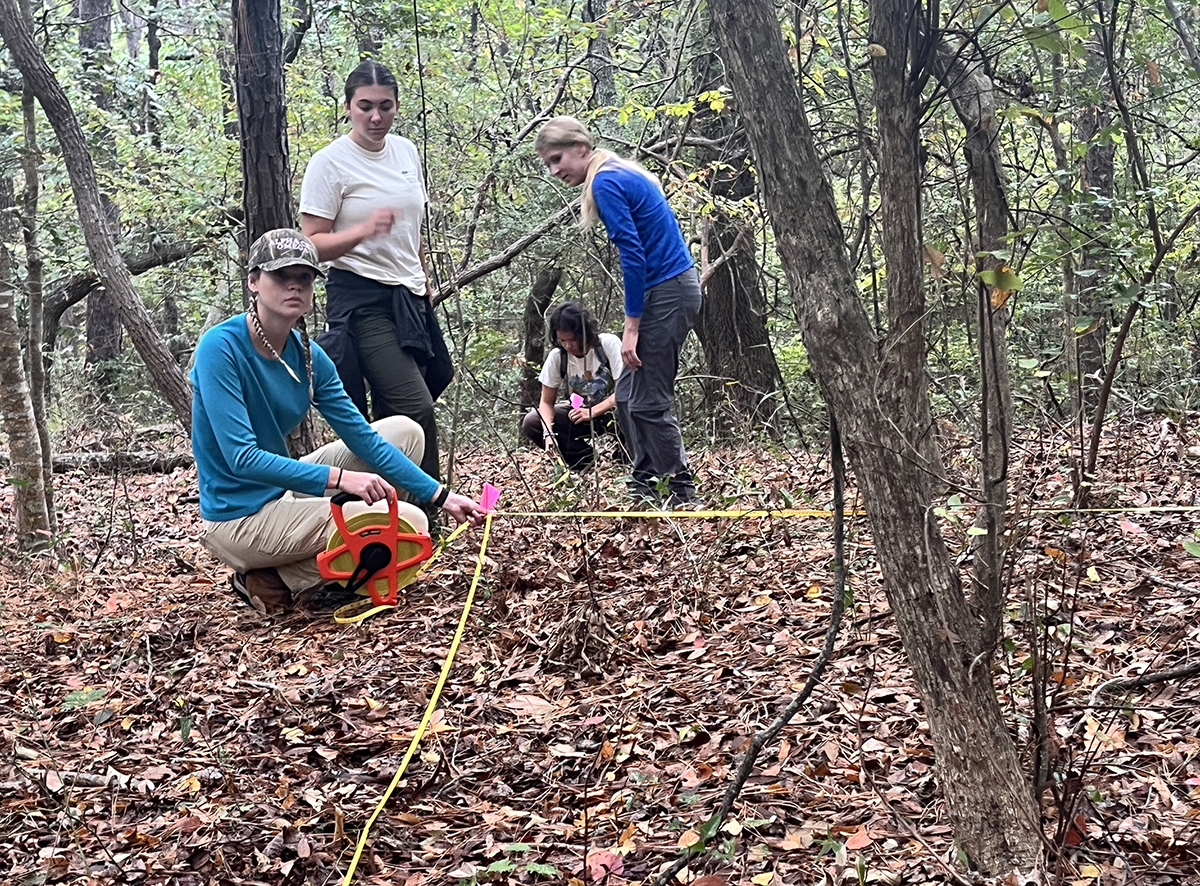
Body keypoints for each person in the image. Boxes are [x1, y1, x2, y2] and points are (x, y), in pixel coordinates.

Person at [191, 229, 484, 614]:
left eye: (305, 277)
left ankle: (280, 573)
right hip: (239, 516)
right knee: (409, 524)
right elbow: (241, 458)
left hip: (284, 492)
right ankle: (282, 573)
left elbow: (363, 438)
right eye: (281, 276)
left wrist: (441, 496)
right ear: (254, 282)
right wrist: (344, 481)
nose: (294, 285)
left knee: (405, 433)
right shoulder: (220, 347)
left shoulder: (310, 358)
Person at [534, 116, 701, 503]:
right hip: (671, 289)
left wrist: (631, 327)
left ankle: (680, 491)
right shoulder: (615, 172)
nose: (556, 170)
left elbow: (634, 255)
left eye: (559, 159)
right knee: (626, 395)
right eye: (548, 164)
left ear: (581, 148)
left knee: (648, 400)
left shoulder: (607, 181)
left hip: (667, 292)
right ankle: (644, 485)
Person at [299, 59, 451, 483]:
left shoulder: (405, 151)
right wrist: (363, 230)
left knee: (423, 389)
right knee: (414, 406)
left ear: (397, 106)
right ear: (347, 106)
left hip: (409, 294)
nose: (376, 116)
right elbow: (311, 241)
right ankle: (429, 511)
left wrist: (423, 282)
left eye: (385, 106)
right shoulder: (330, 163)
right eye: (365, 105)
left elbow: (412, 226)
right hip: (361, 298)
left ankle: (387, 514)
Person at [521, 300, 624, 470]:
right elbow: (546, 403)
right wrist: (548, 434)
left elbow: (624, 391)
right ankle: (586, 463)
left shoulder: (608, 344)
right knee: (532, 421)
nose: (569, 345)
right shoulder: (557, 357)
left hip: (613, 412)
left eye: (573, 339)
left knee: (634, 407)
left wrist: (592, 412)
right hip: (579, 413)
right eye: (563, 340)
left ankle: (626, 456)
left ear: (584, 332)